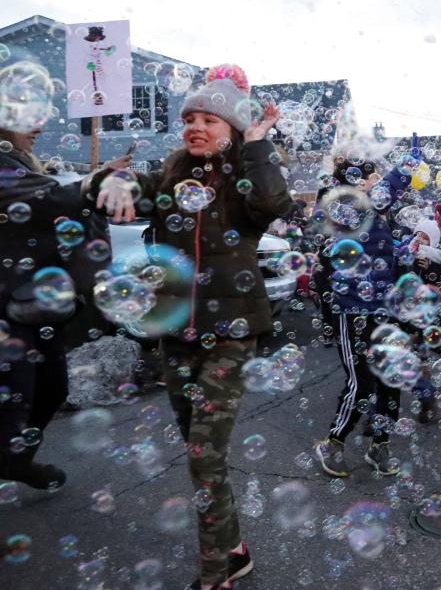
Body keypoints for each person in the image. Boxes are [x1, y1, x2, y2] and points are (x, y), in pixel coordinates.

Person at [95, 64, 291, 590]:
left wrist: (256, 143)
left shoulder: (245, 174)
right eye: (190, 118)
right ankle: (234, 548)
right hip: (177, 331)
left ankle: (214, 574)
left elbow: (273, 204)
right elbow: (125, 188)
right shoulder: (170, 175)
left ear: (231, 126)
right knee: (198, 449)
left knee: (205, 456)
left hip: (231, 332)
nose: (196, 126)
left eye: (210, 118)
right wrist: (107, 178)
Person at [0, 124, 97, 491]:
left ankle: (15, 462)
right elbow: (56, 199)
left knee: (52, 389)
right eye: (26, 117)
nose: (38, 126)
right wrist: (98, 183)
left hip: (34, 306)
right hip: (8, 309)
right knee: (11, 404)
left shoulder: (24, 163)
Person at [313, 152, 416, 480]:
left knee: (390, 378)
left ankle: (380, 445)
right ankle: (334, 442)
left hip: (384, 308)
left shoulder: (378, 216)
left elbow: (380, 256)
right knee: (361, 382)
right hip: (352, 309)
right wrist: (402, 171)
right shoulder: (341, 206)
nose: (377, 182)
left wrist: (404, 254)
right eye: (372, 178)